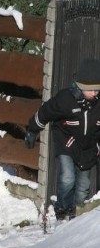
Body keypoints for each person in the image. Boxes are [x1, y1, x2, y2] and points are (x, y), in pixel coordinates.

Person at [26, 58, 100, 220]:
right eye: (91, 89)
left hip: (88, 149)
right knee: (67, 178)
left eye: (97, 89)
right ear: (81, 86)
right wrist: (32, 130)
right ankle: (62, 208)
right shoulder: (65, 99)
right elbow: (45, 112)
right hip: (66, 143)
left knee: (83, 187)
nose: (95, 93)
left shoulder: (97, 104)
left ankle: (76, 216)